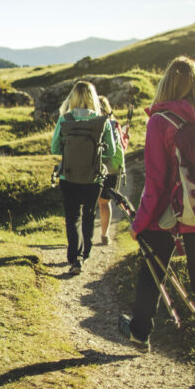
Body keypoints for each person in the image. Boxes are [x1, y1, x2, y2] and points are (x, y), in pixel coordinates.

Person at [119, 56, 195, 389]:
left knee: (153, 272)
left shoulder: (161, 121)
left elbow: (157, 182)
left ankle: (140, 333)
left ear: (167, 85)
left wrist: (140, 222)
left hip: (169, 216)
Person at [50, 81, 122, 275]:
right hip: (93, 178)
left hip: (69, 175)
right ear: (93, 97)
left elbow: (55, 148)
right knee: (89, 214)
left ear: (72, 98)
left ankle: (75, 257)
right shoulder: (102, 121)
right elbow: (111, 151)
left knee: (73, 217)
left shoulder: (64, 120)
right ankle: (86, 253)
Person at [97, 95, 127, 245]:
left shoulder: (93, 123)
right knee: (105, 202)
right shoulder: (115, 124)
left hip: (95, 166)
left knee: (90, 203)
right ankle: (104, 234)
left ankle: (85, 236)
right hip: (113, 168)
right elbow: (122, 146)